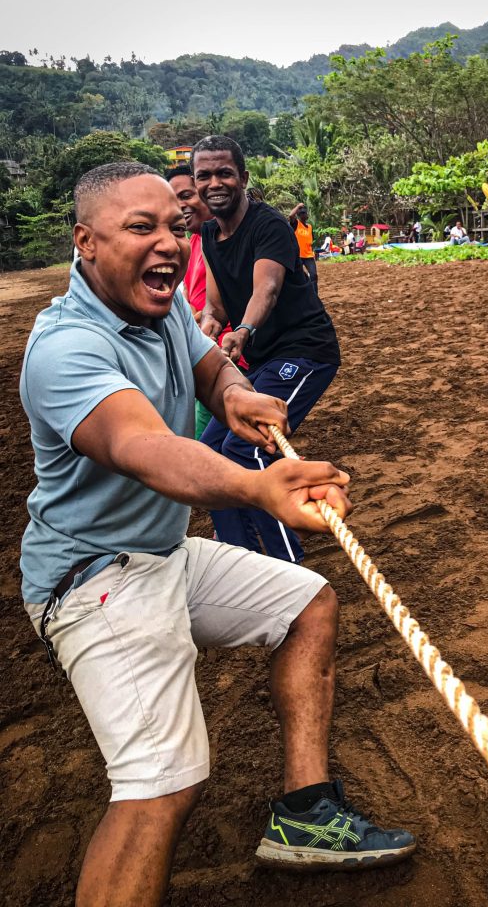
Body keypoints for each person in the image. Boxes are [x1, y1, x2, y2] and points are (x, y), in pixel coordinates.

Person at [19, 162, 416, 907]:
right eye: (141, 228)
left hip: (162, 554)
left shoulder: (161, 303)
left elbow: (211, 369)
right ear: (86, 242)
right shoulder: (64, 348)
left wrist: (237, 394)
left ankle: (304, 813)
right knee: (161, 785)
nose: (168, 243)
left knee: (308, 606)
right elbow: (145, 447)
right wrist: (257, 487)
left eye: (176, 226)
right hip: (92, 579)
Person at [191, 136, 341, 564]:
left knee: (248, 448)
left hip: (304, 352)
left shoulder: (268, 225)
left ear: (243, 178)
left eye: (224, 173)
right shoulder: (209, 233)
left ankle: (288, 565)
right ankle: (239, 556)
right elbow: (215, 306)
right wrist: (207, 329)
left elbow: (267, 289)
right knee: (211, 451)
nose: (214, 183)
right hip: (261, 360)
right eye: (204, 175)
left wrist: (244, 331)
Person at [165, 164, 247, 439]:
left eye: (187, 195)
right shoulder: (191, 243)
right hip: (203, 355)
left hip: (228, 359)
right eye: (174, 199)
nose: (181, 205)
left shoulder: (226, 242)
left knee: (209, 441)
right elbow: (189, 300)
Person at [288, 202, 318, 292]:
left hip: (309, 256)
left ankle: (314, 295)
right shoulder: (296, 224)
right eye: (301, 214)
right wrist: (298, 206)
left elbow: (310, 241)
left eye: (304, 213)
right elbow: (290, 215)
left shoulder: (310, 227)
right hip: (298, 256)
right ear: (298, 216)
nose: (303, 215)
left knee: (313, 275)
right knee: (297, 277)